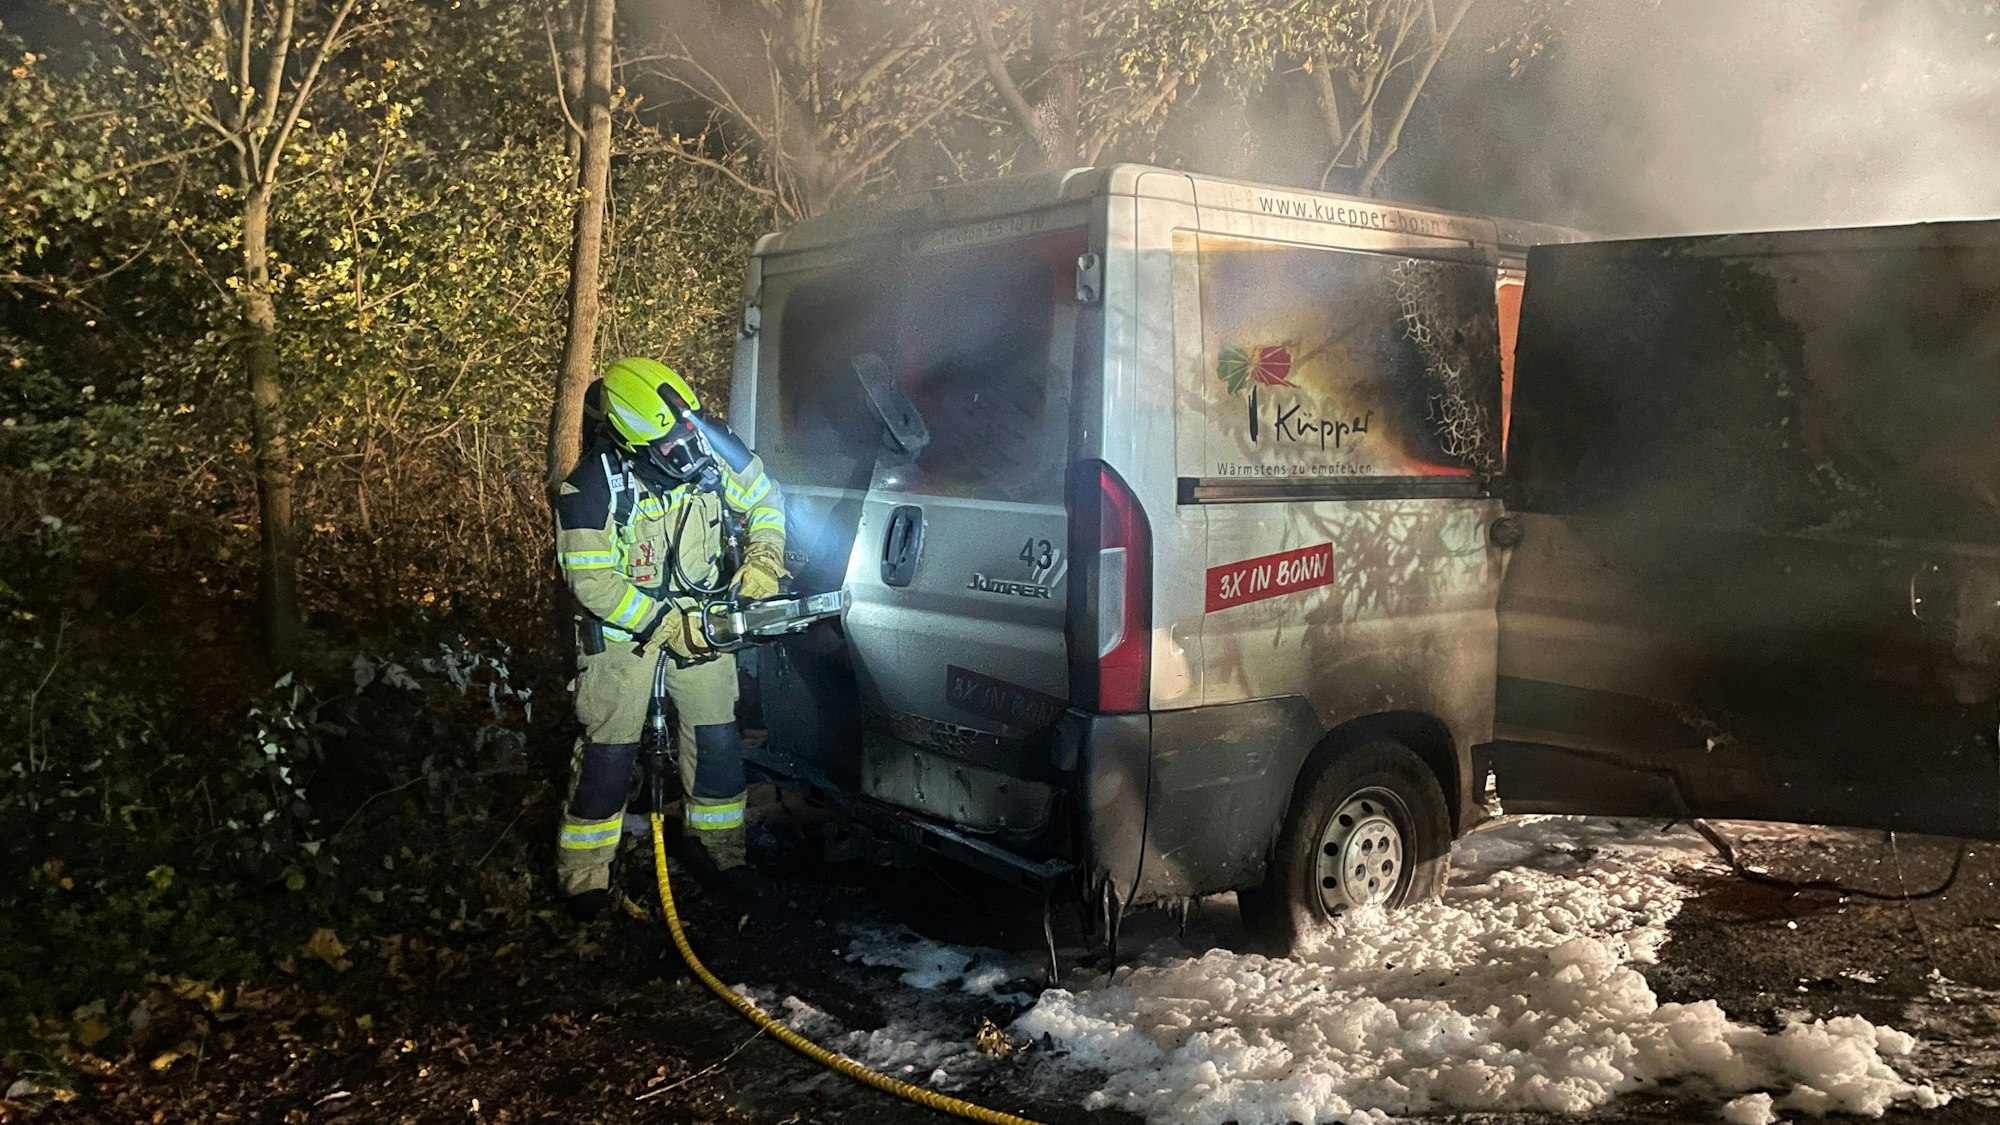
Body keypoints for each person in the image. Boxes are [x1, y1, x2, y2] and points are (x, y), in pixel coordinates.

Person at [552, 357, 787, 920]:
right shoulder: (589, 485)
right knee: (609, 754)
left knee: (717, 743)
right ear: (633, 446)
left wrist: (762, 564)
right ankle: (584, 877)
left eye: (687, 431)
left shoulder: (713, 444)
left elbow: (766, 502)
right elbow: (591, 579)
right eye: (667, 444)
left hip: (703, 618)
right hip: (622, 632)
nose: (684, 450)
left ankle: (718, 854)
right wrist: (661, 625)